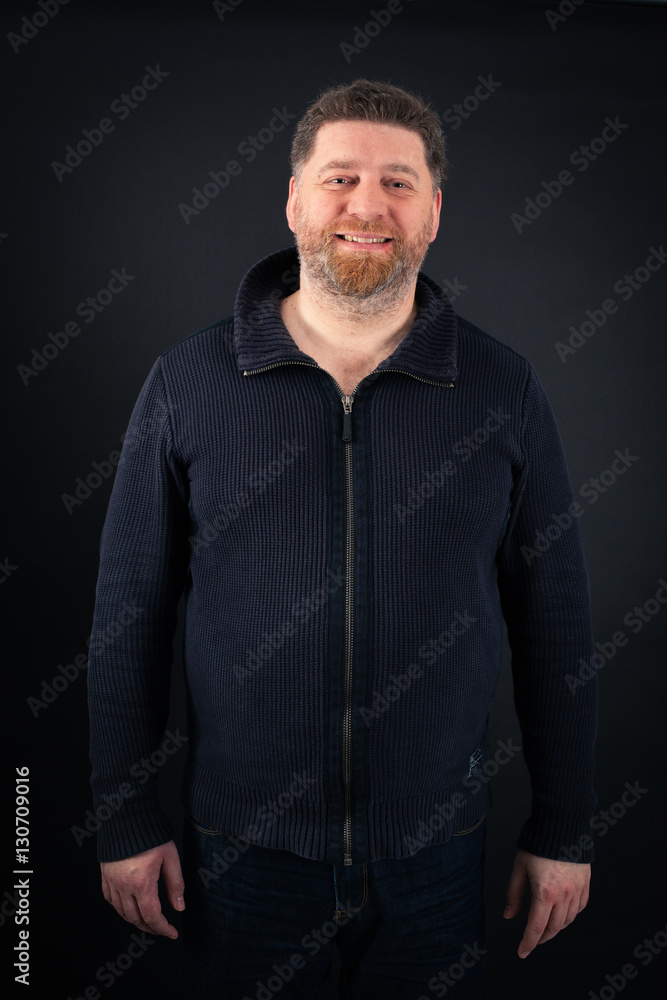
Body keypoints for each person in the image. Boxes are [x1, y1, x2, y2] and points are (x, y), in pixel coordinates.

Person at [88, 79, 598, 999]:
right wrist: (123, 818)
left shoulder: (501, 389)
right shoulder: (188, 384)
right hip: (237, 854)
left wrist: (563, 829)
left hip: (435, 858)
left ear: (434, 213)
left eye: (398, 183)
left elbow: (554, 623)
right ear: (293, 200)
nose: (367, 206)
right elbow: (128, 618)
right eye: (340, 179)